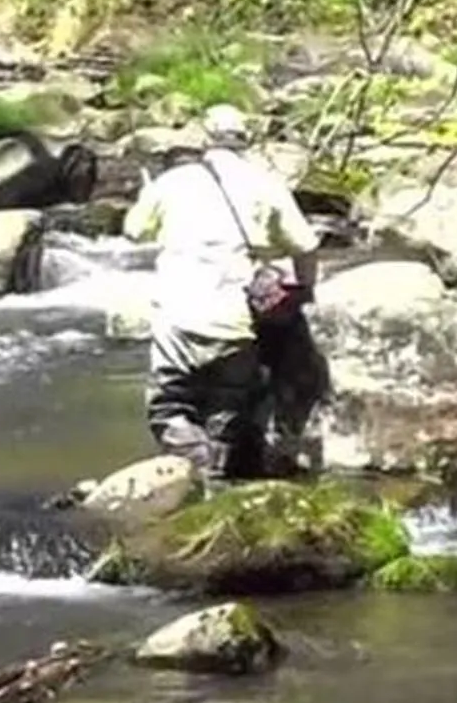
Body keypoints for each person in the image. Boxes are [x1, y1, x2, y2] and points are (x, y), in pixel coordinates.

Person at [127, 118, 329, 480]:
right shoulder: (266, 184)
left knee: (169, 407)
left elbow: (133, 231)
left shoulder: (172, 182)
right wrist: (304, 292)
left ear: (206, 141)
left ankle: (195, 473)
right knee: (227, 411)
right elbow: (307, 246)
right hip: (234, 321)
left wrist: (149, 195)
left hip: (178, 316)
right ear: (245, 143)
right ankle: (218, 481)